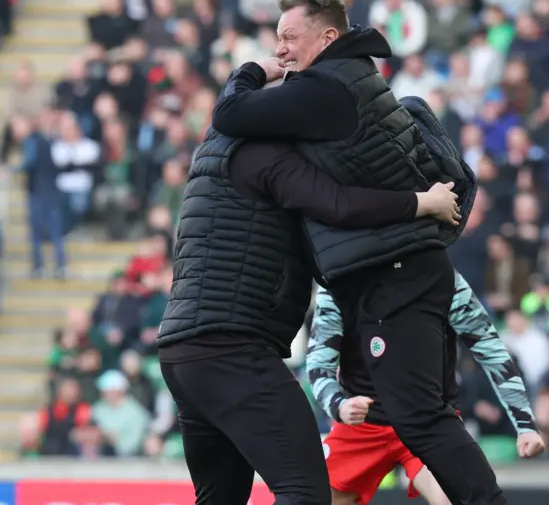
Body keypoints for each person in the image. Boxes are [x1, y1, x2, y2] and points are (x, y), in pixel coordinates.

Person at [211, 0, 501, 504]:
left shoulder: (327, 89)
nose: (280, 49)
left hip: (396, 275)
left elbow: (231, 115)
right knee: (419, 417)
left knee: (422, 418)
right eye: (276, 40)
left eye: (289, 38)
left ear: (327, 37)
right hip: (396, 271)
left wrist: (251, 73)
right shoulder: (351, 78)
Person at [157, 105, 461, 502]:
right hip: (231, 349)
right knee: (306, 491)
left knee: (220, 498)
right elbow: (338, 204)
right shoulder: (268, 157)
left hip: (181, 350)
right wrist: (422, 203)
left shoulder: (214, 158)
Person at [307, 272, 546, 505]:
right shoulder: (339, 282)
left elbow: (491, 350)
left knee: (450, 499)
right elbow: (318, 364)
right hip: (363, 423)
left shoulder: (442, 278)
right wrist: (338, 404)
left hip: (430, 419)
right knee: (316, 498)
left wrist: (525, 424)